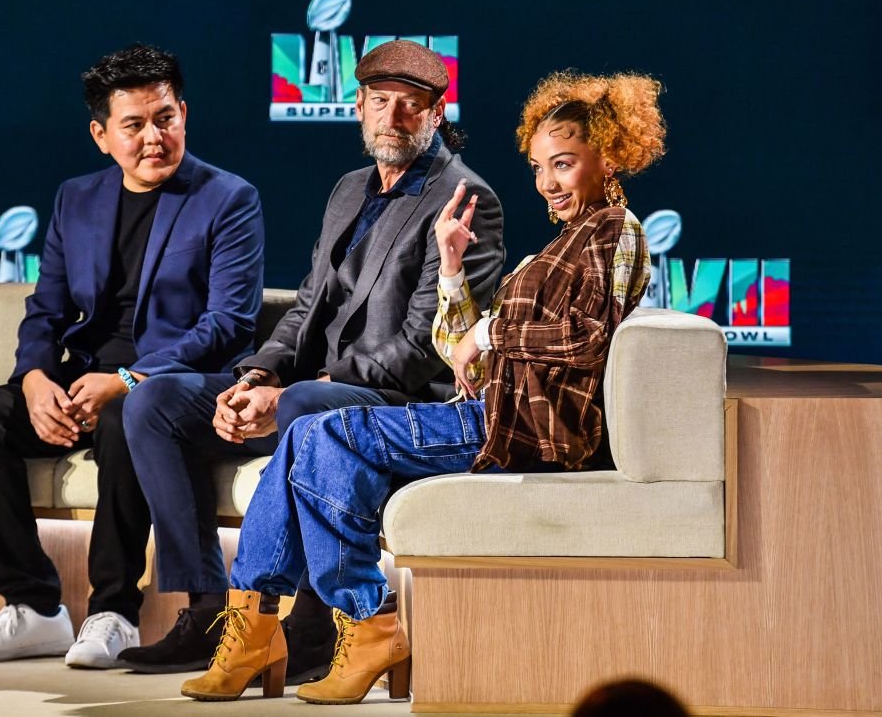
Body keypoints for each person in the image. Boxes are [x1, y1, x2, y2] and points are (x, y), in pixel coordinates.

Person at [179, 69, 665, 705]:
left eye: (565, 164)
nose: (547, 182)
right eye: (540, 167)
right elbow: (456, 347)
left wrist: (490, 337)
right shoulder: (556, 246)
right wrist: (455, 269)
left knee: (315, 430)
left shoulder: (616, 233)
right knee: (319, 440)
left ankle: (339, 623)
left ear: (610, 156)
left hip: (522, 432)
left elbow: (586, 340)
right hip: (488, 410)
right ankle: (289, 628)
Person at [117, 39, 504, 681]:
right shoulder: (349, 188)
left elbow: (422, 349)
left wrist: (302, 387)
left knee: (305, 407)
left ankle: (310, 622)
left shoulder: (465, 198)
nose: (393, 118)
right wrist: (258, 374)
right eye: (381, 103)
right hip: (306, 382)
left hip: (402, 400)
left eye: (411, 107)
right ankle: (209, 608)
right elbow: (305, 306)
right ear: (358, 107)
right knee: (153, 402)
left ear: (437, 115)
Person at [0, 44, 265, 668]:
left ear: (184, 114)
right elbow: (47, 310)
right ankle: (33, 607)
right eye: (135, 125)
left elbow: (228, 324)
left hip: (175, 385)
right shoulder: (76, 199)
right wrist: (36, 379)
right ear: (101, 135)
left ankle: (112, 611)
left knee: (132, 414)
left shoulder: (228, 198)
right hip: (83, 377)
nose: (154, 137)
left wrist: (125, 379)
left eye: (165, 118)